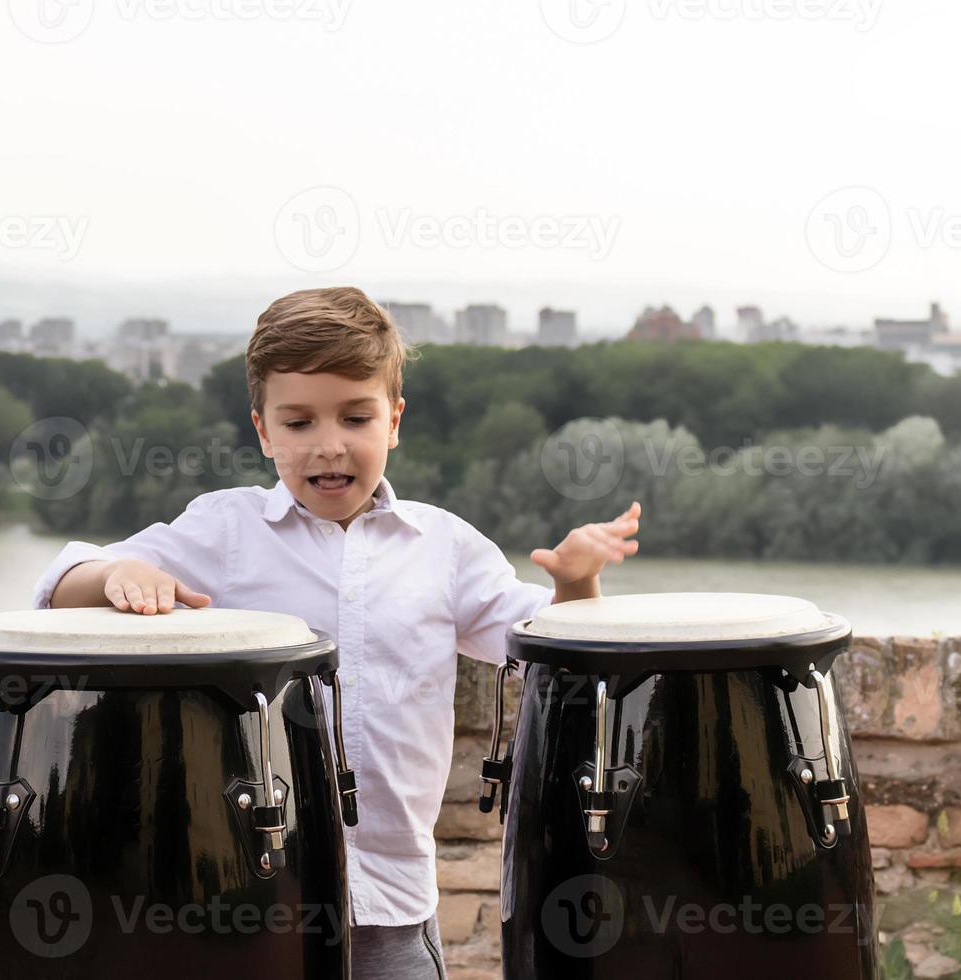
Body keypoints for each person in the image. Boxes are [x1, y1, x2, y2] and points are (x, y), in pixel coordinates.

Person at [32, 285, 641, 979]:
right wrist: (120, 575)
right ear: (262, 430)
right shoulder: (226, 530)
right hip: (250, 896)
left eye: (355, 417)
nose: (329, 446)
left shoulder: (441, 545)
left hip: (394, 901)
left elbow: (548, 652)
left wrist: (574, 581)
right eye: (298, 423)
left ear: (394, 421)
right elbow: (60, 583)